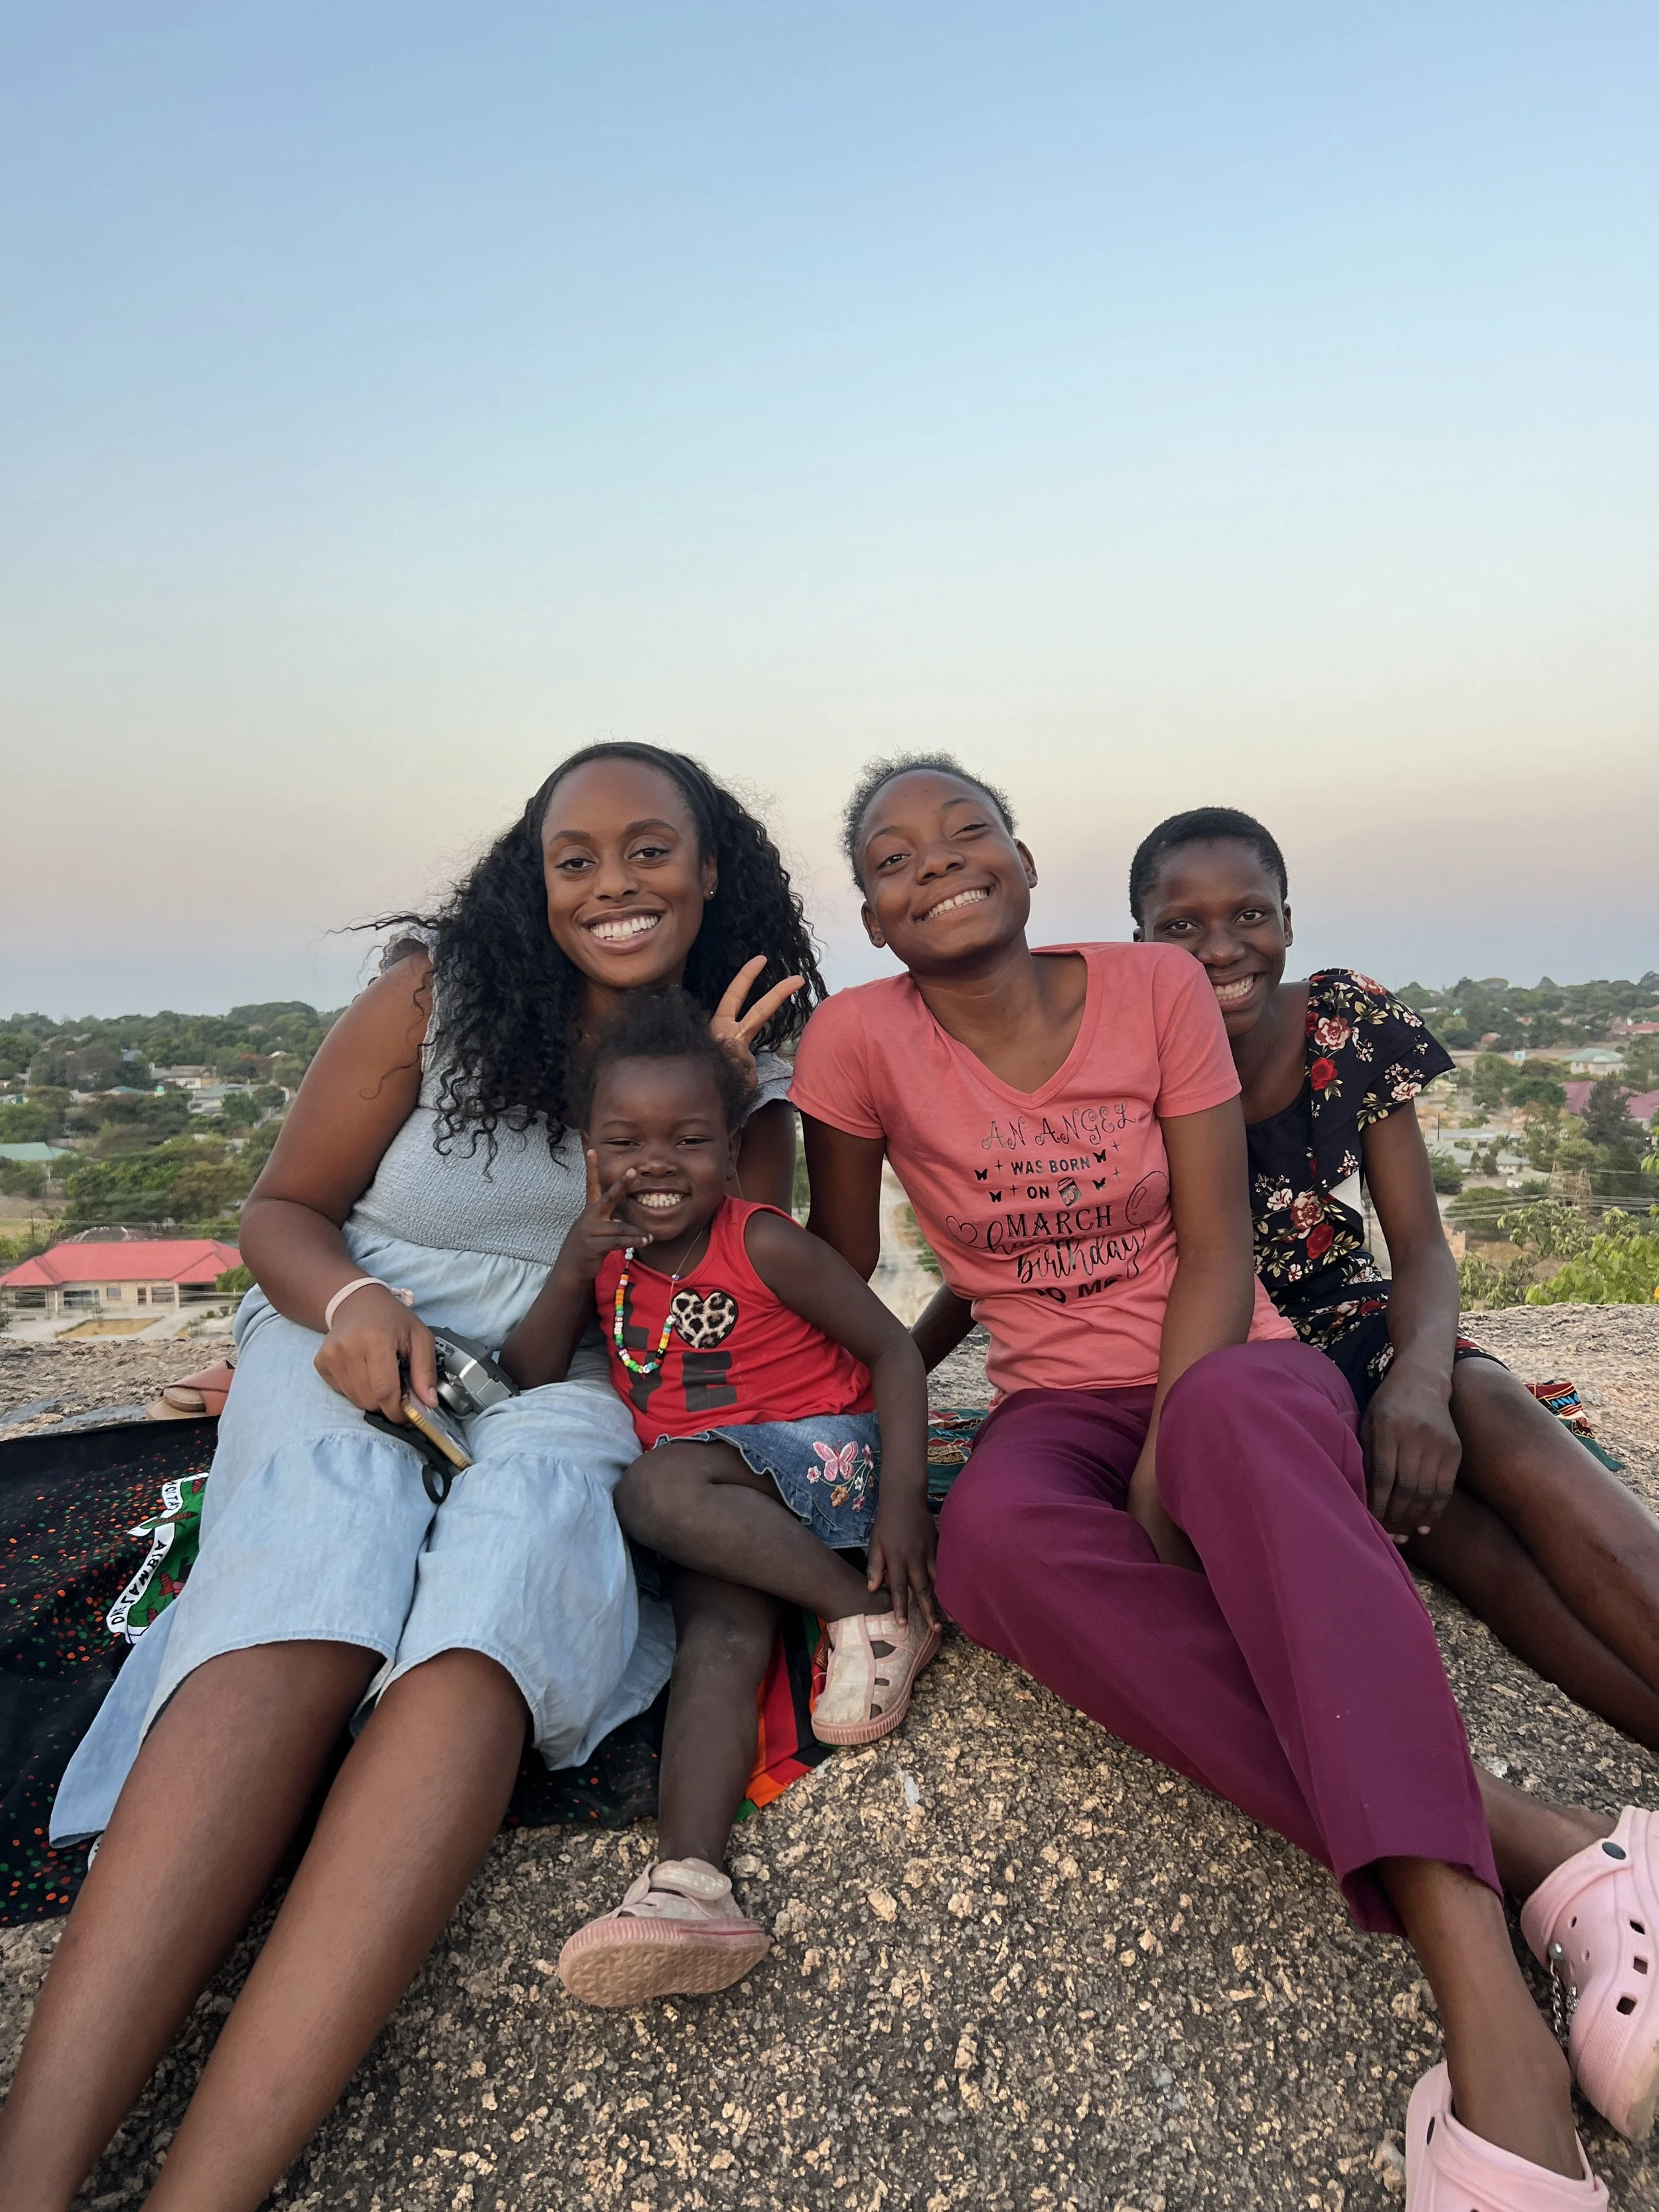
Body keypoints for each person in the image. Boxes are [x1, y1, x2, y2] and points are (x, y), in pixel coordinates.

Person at [792, 752, 1658, 2209]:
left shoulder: (1149, 989)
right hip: (1048, 1394)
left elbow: (1215, 1244)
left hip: (1229, 1357)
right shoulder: (855, 1042)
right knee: (996, 1547)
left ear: (1018, 857)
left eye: (965, 829)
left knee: (1246, 1425)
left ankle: (1496, 2047)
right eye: (891, 856)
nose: (934, 860)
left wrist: (1163, 1472)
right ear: (872, 918)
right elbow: (840, 1268)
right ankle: (1559, 1856)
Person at [0, 743, 823, 2212]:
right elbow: (284, 1206)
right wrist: (348, 1308)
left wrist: (707, 1088)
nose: (612, 885)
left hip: (584, 1370)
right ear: (533, 873)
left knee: (484, 1631)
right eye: (575, 856)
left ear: (709, 870)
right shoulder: (438, 993)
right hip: (361, 1322)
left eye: (650, 851)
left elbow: (719, 1308)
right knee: (308, 1590)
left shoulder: (748, 1048)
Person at [1127, 804, 1659, 1753]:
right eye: (1181, 926)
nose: (1222, 947)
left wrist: (1419, 1380)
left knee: (1487, 1413)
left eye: (1250, 914)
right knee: (1465, 1546)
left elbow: (1418, 1246)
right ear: (1140, 941)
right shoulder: (1116, 1050)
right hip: (1234, 1363)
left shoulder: (1342, 1020)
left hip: (1354, 1318)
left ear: (1288, 919)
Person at [498, 988, 937, 2007]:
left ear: (734, 1156)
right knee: (716, 1649)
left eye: (690, 1140)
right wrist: (573, 1262)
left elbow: (894, 1352)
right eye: (625, 1142)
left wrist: (903, 1507)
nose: (657, 1163)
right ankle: (688, 1882)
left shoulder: (763, 1242)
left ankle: (867, 1610)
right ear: (589, 1155)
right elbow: (528, 1372)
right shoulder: (607, 1267)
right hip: (728, 1509)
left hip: (826, 1467)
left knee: (652, 1489)